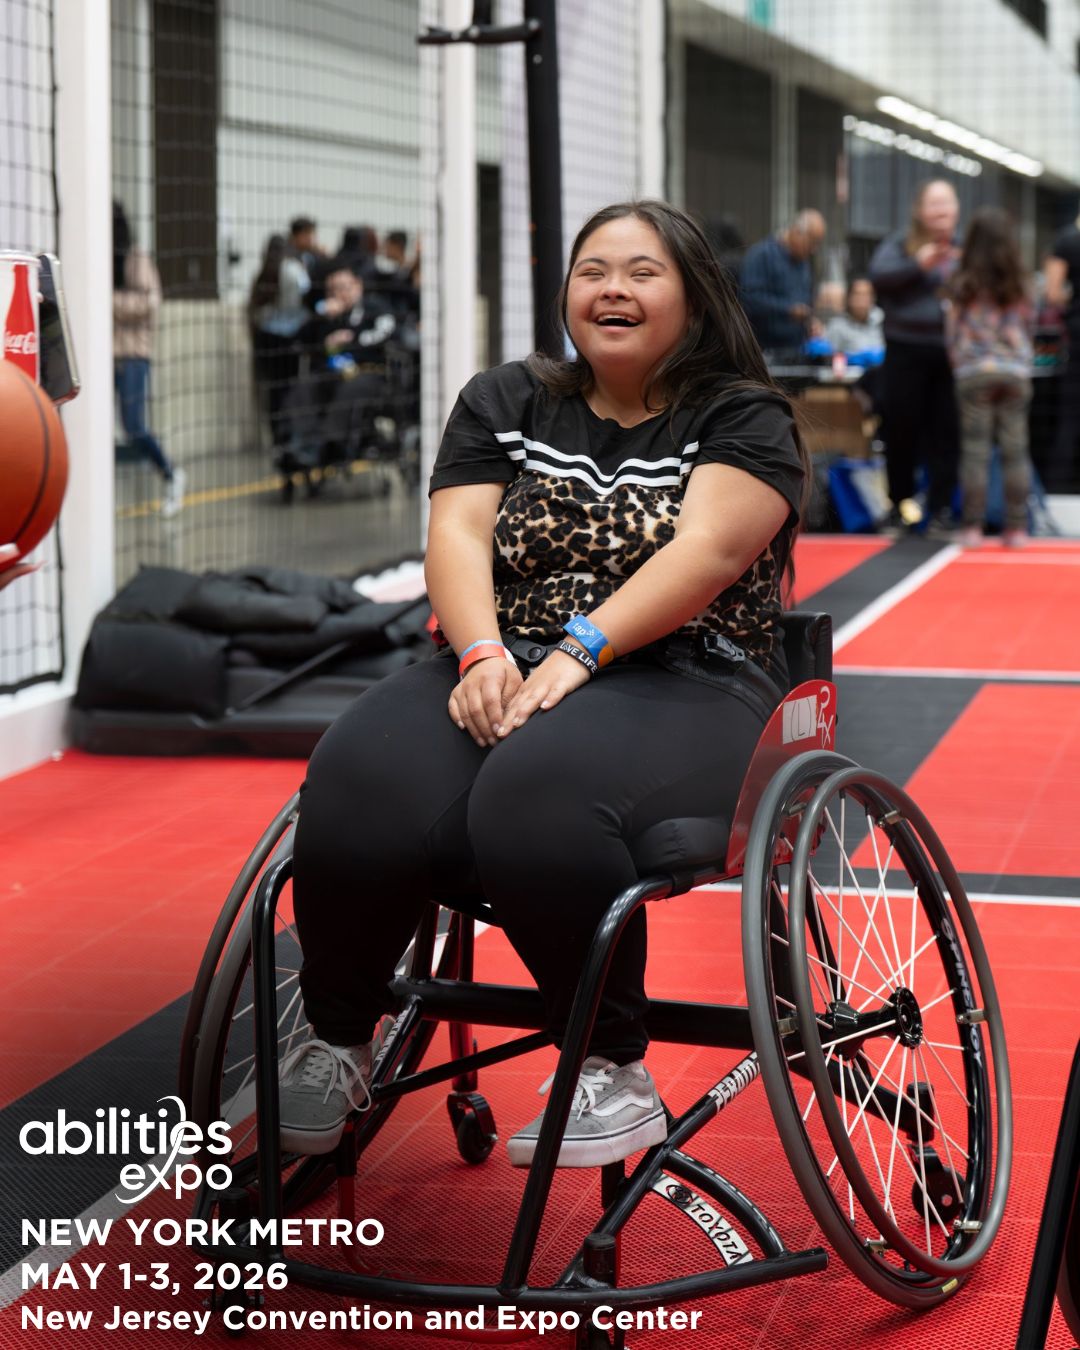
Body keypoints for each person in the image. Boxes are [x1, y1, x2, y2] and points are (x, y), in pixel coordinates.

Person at [276, 199, 808, 1167]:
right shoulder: (506, 397)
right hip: (506, 657)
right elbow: (459, 533)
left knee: (536, 794)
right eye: (592, 269)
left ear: (693, 296)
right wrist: (481, 653)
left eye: (643, 271)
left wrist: (578, 650)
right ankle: (336, 1037)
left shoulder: (743, 414)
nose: (613, 287)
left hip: (691, 675)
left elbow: (709, 550)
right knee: (358, 772)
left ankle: (612, 1068)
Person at [869, 179, 961, 531]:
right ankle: (899, 505)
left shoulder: (964, 247)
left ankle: (940, 509)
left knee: (946, 431)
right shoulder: (899, 244)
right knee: (900, 427)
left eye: (946, 203)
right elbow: (878, 277)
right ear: (920, 211)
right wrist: (918, 265)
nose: (940, 211)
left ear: (956, 210)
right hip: (905, 349)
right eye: (934, 204)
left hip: (951, 353)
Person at [945, 207, 1033, 547]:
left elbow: (951, 331)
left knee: (975, 451)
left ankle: (972, 527)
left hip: (973, 372)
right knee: (1016, 451)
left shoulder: (960, 278)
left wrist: (959, 364)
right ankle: (1016, 529)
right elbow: (1029, 325)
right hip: (1014, 371)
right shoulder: (1021, 279)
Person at [281, 259, 396, 473]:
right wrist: (322, 321)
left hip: (368, 372)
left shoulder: (375, 308)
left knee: (350, 390)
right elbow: (298, 340)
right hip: (333, 373)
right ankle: (298, 444)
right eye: (334, 290)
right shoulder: (329, 316)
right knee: (306, 386)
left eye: (345, 287)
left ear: (358, 285)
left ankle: (327, 446)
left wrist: (351, 340)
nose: (341, 294)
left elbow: (385, 333)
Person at [113, 201, 184, 517]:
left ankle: (171, 474)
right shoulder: (98, 258)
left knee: (134, 426)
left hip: (133, 356)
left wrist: (107, 300)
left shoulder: (136, 257)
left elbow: (150, 302)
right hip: (105, 358)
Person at [247, 233, 311, 448]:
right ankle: (289, 437)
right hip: (290, 338)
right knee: (290, 388)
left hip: (266, 339)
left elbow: (255, 309)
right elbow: (307, 295)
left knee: (273, 391)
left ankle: (277, 438)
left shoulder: (265, 271)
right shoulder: (294, 269)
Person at [739, 209, 826, 357]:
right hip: (763, 351)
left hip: (795, 350)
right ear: (798, 232)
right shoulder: (762, 255)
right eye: (812, 242)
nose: (813, 249)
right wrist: (787, 310)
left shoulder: (803, 264)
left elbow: (806, 302)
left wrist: (809, 322)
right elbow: (749, 298)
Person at [1044, 211, 1080, 491]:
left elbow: (1052, 292)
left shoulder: (1067, 240)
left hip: (1077, 333)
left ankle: (1059, 481)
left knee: (1070, 409)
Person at [824, 278, 884, 356]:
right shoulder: (837, 326)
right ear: (848, 298)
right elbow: (828, 356)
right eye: (857, 295)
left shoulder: (882, 321)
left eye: (866, 295)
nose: (861, 300)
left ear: (873, 298)